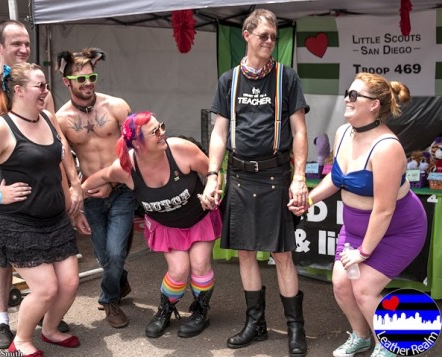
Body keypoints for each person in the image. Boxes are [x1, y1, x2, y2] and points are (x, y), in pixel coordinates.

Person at [289, 73, 427, 357]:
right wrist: (310, 199)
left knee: (363, 288)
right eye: (347, 93)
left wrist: (363, 252)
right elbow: (338, 179)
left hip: (396, 231)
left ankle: (389, 343)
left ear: (374, 105)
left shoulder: (387, 147)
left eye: (354, 95)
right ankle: (362, 337)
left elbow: (385, 209)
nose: (347, 100)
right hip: (354, 228)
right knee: (341, 285)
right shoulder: (342, 133)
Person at [0, 19, 80, 349]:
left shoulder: (40, 94)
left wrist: (72, 184)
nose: (24, 48)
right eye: (16, 44)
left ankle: (44, 319)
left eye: (27, 43)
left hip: (40, 179)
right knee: (0, 260)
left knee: (57, 280)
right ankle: (3, 320)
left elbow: (57, 145)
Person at [200, 9, 309, 356]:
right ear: (246, 35)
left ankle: (295, 328)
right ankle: (255, 323)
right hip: (241, 176)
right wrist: (213, 174)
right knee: (246, 253)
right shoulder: (228, 80)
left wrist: (300, 176)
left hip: (277, 176)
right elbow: (219, 132)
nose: (270, 42)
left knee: (282, 255)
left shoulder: (286, 77)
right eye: (264, 35)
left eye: (274, 37)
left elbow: (300, 131)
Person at [82, 111, 222, 338]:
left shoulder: (181, 150)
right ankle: (164, 311)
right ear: (137, 143)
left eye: (162, 126)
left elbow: (214, 173)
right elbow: (101, 176)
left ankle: (199, 312)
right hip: (167, 227)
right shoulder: (126, 168)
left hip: (199, 219)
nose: (162, 133)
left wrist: (211, 188)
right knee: (178, 270)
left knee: (199, 264)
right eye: (155, 131)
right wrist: (77, 195)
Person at [55, 48, 134, 328]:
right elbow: (63, 164)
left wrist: (112, 182)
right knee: (106, 256)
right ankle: (119, 282)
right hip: (90, 196)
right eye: (81, 78)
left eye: (92, 76)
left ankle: (109, 300)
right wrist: (75, 205)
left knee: (114, 254)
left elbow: (136, 149)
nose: (88, 82)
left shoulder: (116, 106)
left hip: (121, 191)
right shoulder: (60, 119)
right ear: (67, 82)